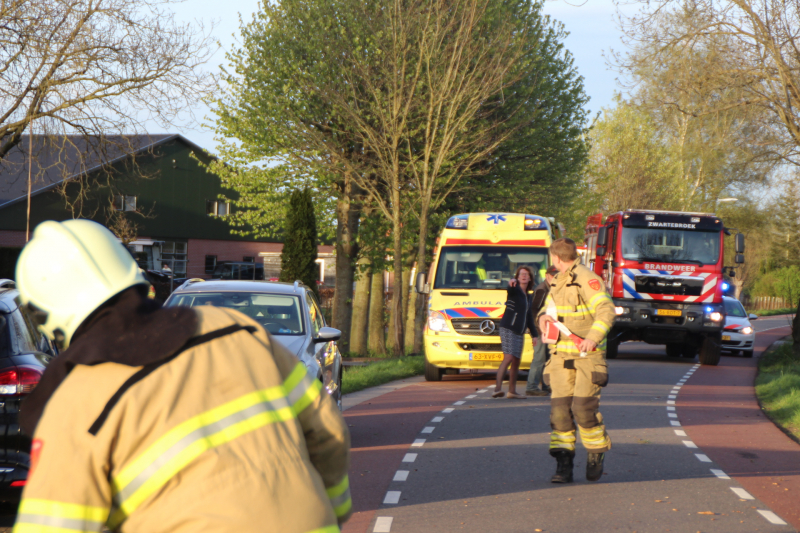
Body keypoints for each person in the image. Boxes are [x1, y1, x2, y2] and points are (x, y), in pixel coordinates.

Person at [13, 220, 351, 533]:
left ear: (47, 316)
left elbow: (51, 523)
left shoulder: (75, 399)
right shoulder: (237, 330)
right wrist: (334, 508)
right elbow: (328, 430)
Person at [538, 238, 615, 484]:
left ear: (556, 258)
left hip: (587, 357)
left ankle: (596, 454)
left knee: (583, 409)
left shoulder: (587, 279)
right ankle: (564, 465)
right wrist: (542, 319)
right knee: (560, 413)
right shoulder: (558, 280)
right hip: (560, 357)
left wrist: (592, 338)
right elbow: (548, 310)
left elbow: (606, 310)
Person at [493, 265, 537, 399]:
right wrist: (511, 283)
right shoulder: (515, 290)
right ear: (517, 278)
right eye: (521, 274)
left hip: (519, 331)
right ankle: (497, 389)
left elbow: (529, 317)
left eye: (526, 274)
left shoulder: (528, 296)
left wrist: (534, 335)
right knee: (509, 357)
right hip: (508, 328)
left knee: (517, 360)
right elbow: (510, 289)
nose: (524, 276)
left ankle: (512, 391)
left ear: (530, 278)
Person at [525, 265, 559, 396]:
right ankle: (532, 386)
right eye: (553, 275)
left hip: (545, 329)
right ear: (547, 275)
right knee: (539, 358)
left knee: (546, 357)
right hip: (540, 330)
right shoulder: (542, 290)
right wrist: (537, 328)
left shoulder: (549, 288)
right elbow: (533, 310)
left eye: (557, 275)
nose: (555, 278)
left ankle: (546, 385)